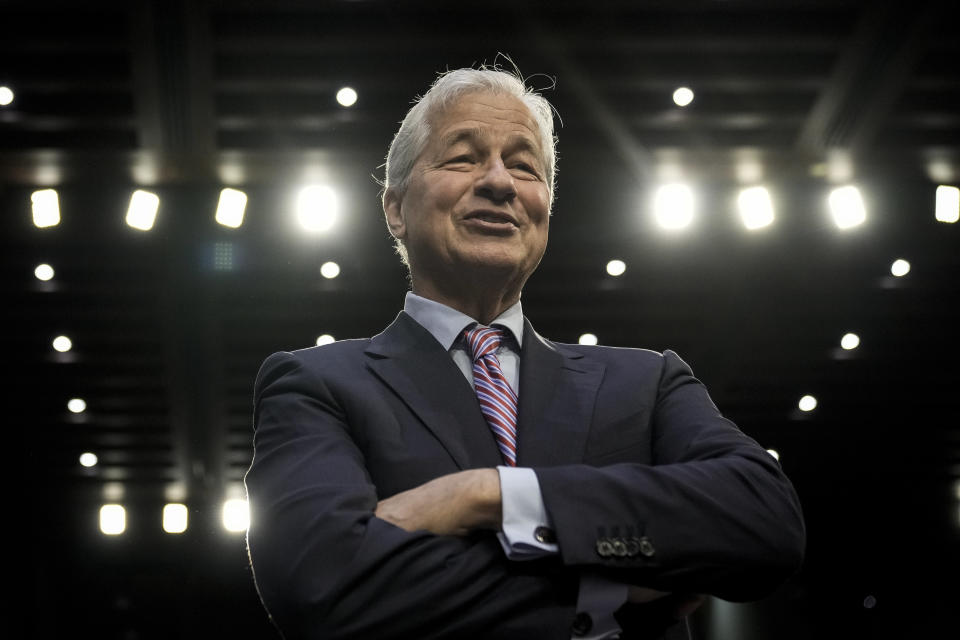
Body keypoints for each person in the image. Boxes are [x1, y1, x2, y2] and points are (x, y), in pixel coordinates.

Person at [244, 66, 805, 640]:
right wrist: (606, 588)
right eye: (462, 157)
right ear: (394, 208)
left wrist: (488, 496)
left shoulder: (648, 380)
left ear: (544, 208)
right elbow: (320, 585)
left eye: (524, 166)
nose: (500, 182)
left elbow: (764, 520)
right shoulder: (314, 383)